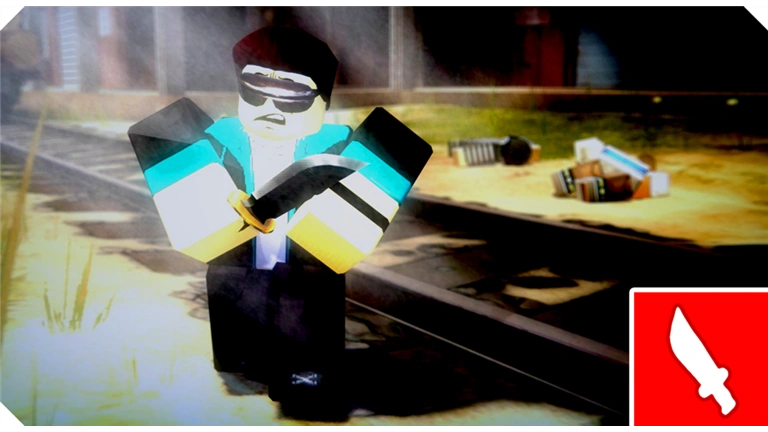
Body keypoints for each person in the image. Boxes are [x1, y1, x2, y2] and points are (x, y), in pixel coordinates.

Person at [128, 25, 432, 421]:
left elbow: (379, 179)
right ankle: (247, 360)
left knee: (306, 310)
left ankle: (303, 376)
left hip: (307, 261)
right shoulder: (216, 139)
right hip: (236, 256)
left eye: (292, 96)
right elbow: (184, 192)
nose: (271, 108)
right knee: (238, 329)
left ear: (322, 101)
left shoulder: (338, 148)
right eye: (256, 91)